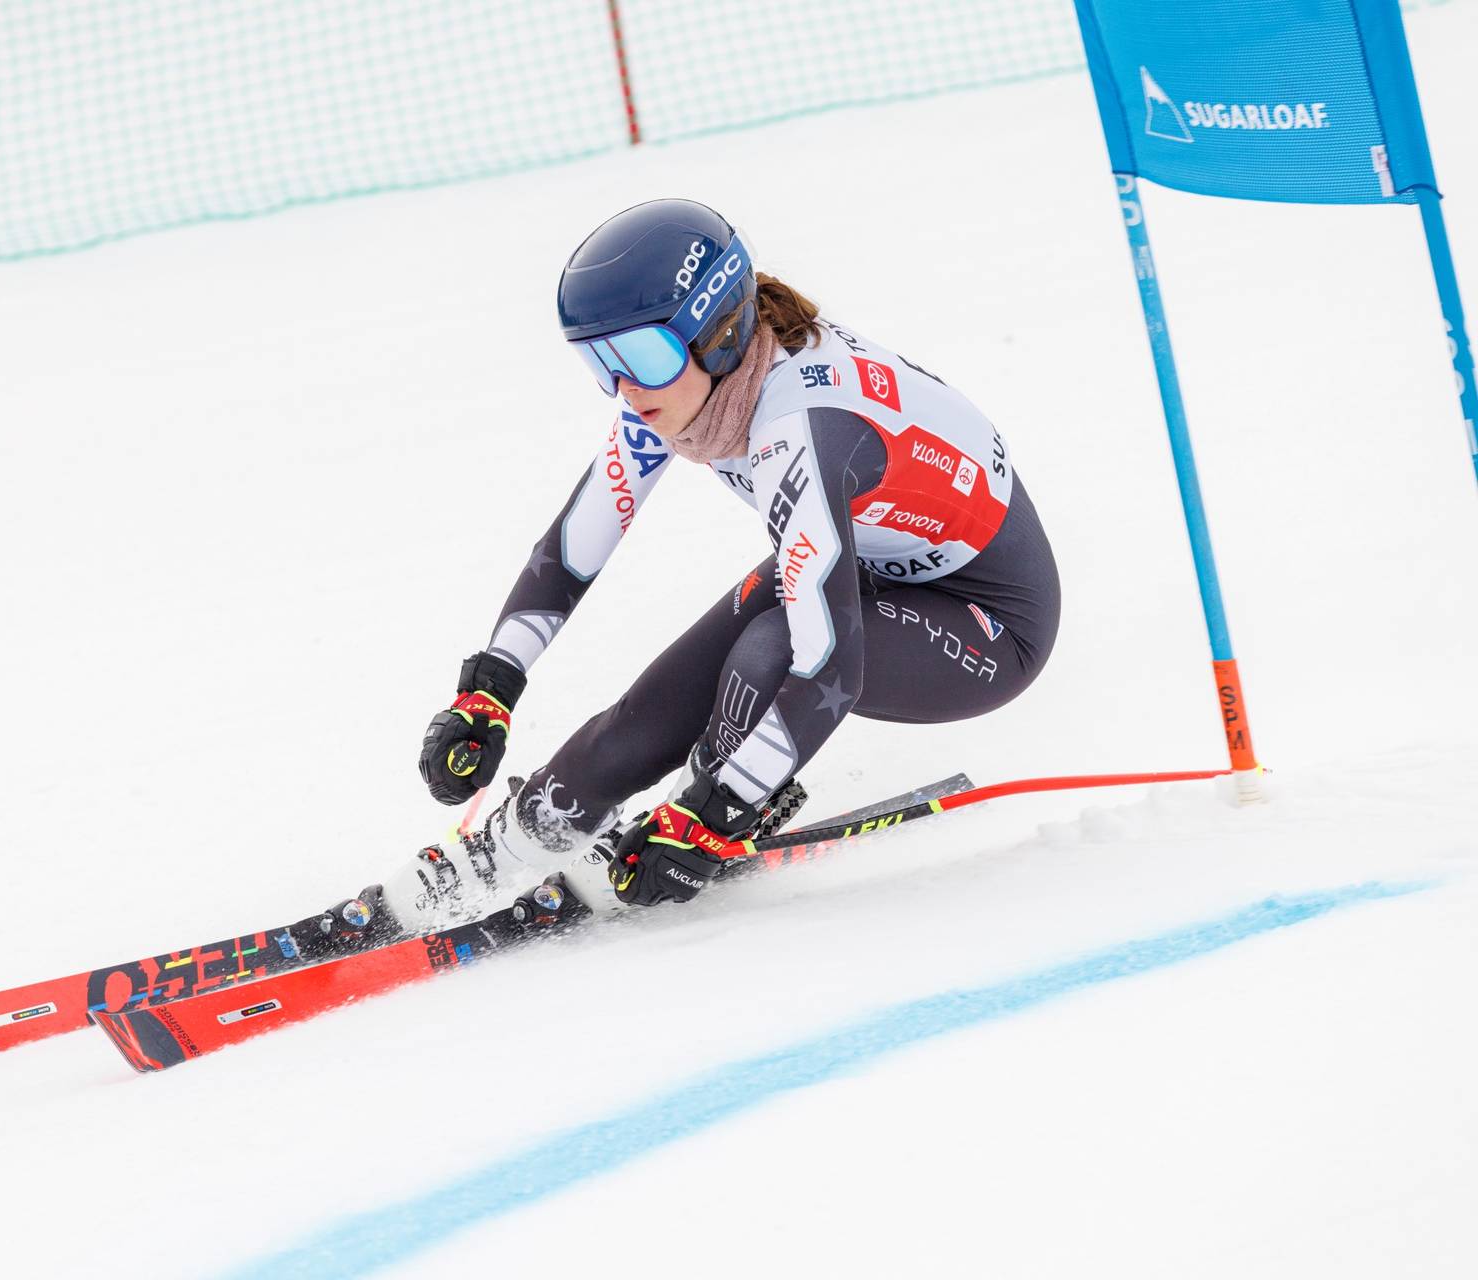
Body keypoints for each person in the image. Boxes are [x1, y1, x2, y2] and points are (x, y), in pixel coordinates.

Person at [308, 198, 1060, 951]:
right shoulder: (693, 384)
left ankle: (711, 804)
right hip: (870, 566)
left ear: (719, 332)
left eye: (641, 357)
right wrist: (490, 687)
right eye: (601, 362)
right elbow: (575, 545)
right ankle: (505, 845)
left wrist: (713, 811)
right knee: (642, 718)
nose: (627, 389)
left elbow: (829, 663)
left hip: (988, 622)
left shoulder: (796, 425)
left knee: (770, 649)